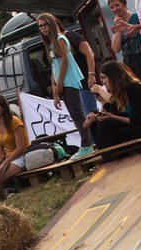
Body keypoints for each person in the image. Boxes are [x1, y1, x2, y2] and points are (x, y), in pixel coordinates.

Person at [38, 13, 97, 157]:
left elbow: (65, 61)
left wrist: (60, 83)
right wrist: (55, 90)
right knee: (74, 115)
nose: (43, 28)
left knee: (77, 113)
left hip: (69, 80)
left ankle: (87, 144)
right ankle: (87, 143)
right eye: (40, 26)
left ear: (52, 24)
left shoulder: (61, 39)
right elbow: (54, 67)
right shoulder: (50, 44)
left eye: (45, 25)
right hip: (61, 83)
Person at [88, 60, 141, 151]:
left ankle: (111, 156)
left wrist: (112, 117)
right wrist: (101, 115)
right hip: (137, 124)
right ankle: (108, 155)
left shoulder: (133, 87)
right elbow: (114, 113)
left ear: (113, 77)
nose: (103, 82)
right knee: (95, 125)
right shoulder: (119, 92)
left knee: (112, 132)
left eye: (104, 78)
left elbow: (138, 119)